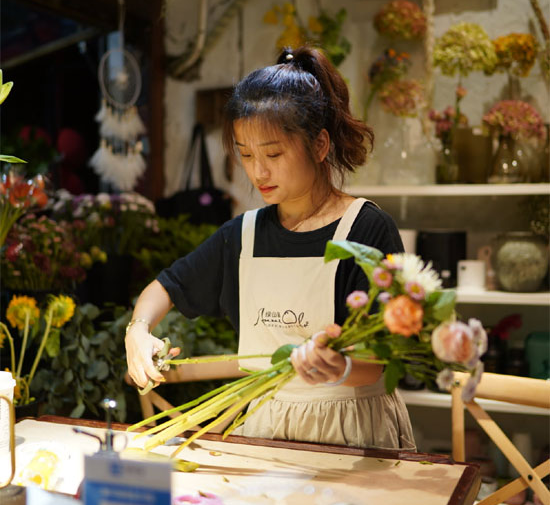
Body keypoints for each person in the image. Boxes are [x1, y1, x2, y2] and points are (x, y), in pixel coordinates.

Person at [126, 46, 415, 450]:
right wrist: (138, 332)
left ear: (319, 146)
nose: (258, 172)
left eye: (273, 154)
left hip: (349, 430)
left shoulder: (365, 228)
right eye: (246, 155)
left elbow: (380, 360)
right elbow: (164, 288)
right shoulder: (242, 235)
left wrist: (340, 364)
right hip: (265, 427)